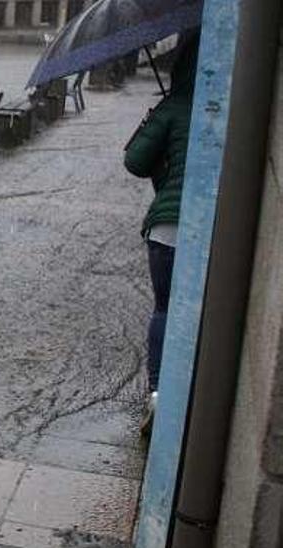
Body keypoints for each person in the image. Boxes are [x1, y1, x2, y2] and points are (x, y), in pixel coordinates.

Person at [123, 33, 199, 434]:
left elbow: (135, 162)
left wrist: (156, 120)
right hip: (214, 232)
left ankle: (158, 394)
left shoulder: (175, 105)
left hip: (168, 229)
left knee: (165, 309)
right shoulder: (233, 106)